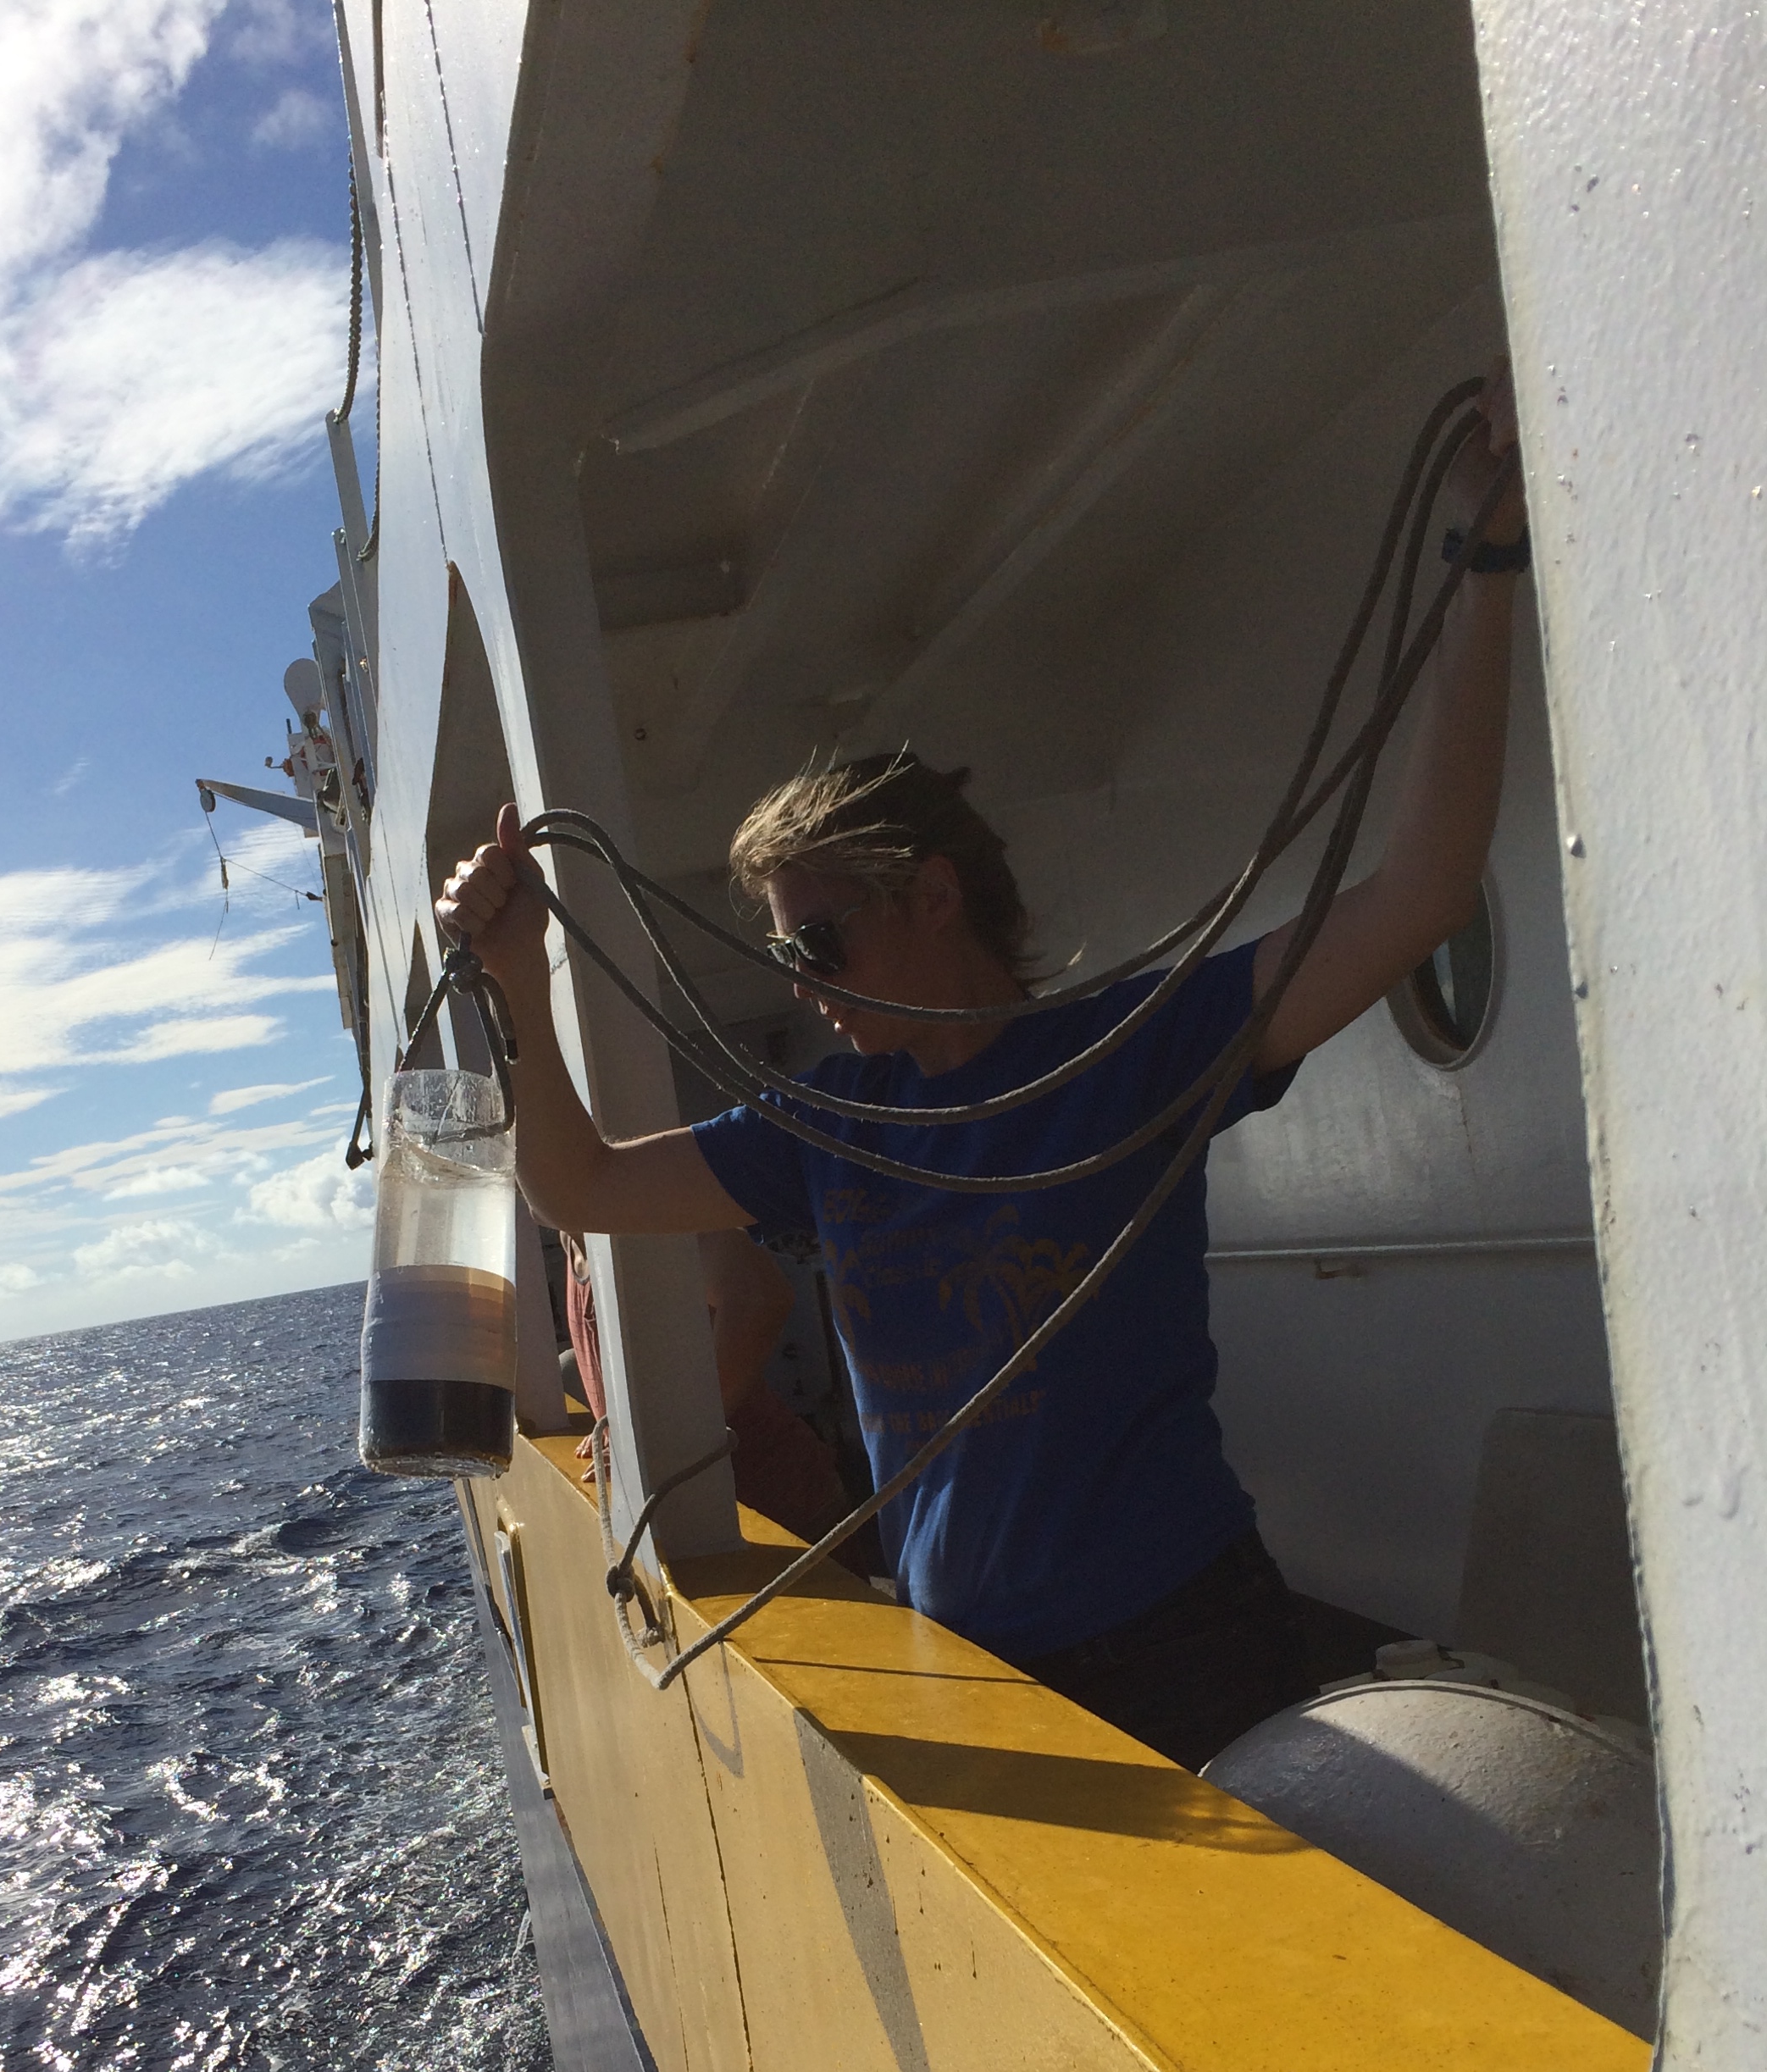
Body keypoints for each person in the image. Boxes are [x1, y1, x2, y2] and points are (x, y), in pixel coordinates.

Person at [438, 378, 1526, 1769]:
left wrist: (1480, 569)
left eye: (817, 935)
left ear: (932, 897)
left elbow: (1421, 891)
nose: (796, 979)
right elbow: (576, 1179)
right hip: (967, 1659)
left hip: (1184, 1639)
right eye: (782, 949)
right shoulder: (825, 1128)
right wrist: (516, 970)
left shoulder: (1125, 1052)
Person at [557, 1223, 856, 1550]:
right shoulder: (570, 1235)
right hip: (695, 1514)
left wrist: (669, 1446)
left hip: (781, 1507)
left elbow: (761, 1297)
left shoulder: (646, 1214)